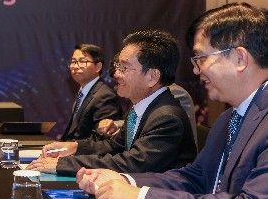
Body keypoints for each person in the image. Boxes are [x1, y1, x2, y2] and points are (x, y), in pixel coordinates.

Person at [78, 3, 267, 199]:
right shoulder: (228, 118)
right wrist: (124, 180)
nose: (195, 70)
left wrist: (141, 198)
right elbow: (195, 179)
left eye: (201, 58)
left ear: (240, 58)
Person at [29, 30, 196, 176]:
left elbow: (130, 164)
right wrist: (74, 147)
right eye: (117, 66)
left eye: (124, 67)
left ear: (152, 77)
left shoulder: (167, 118)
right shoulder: (141, 108)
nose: (116, 74)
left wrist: (62, 164)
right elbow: (113, 145)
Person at [60, 43, 123, 141]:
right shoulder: (82, 93)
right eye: (73, 62)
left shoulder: (105, 96)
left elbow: (102, 138)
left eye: (82, 61)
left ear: (98, 66)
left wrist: (71, 147)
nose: (75, 66)